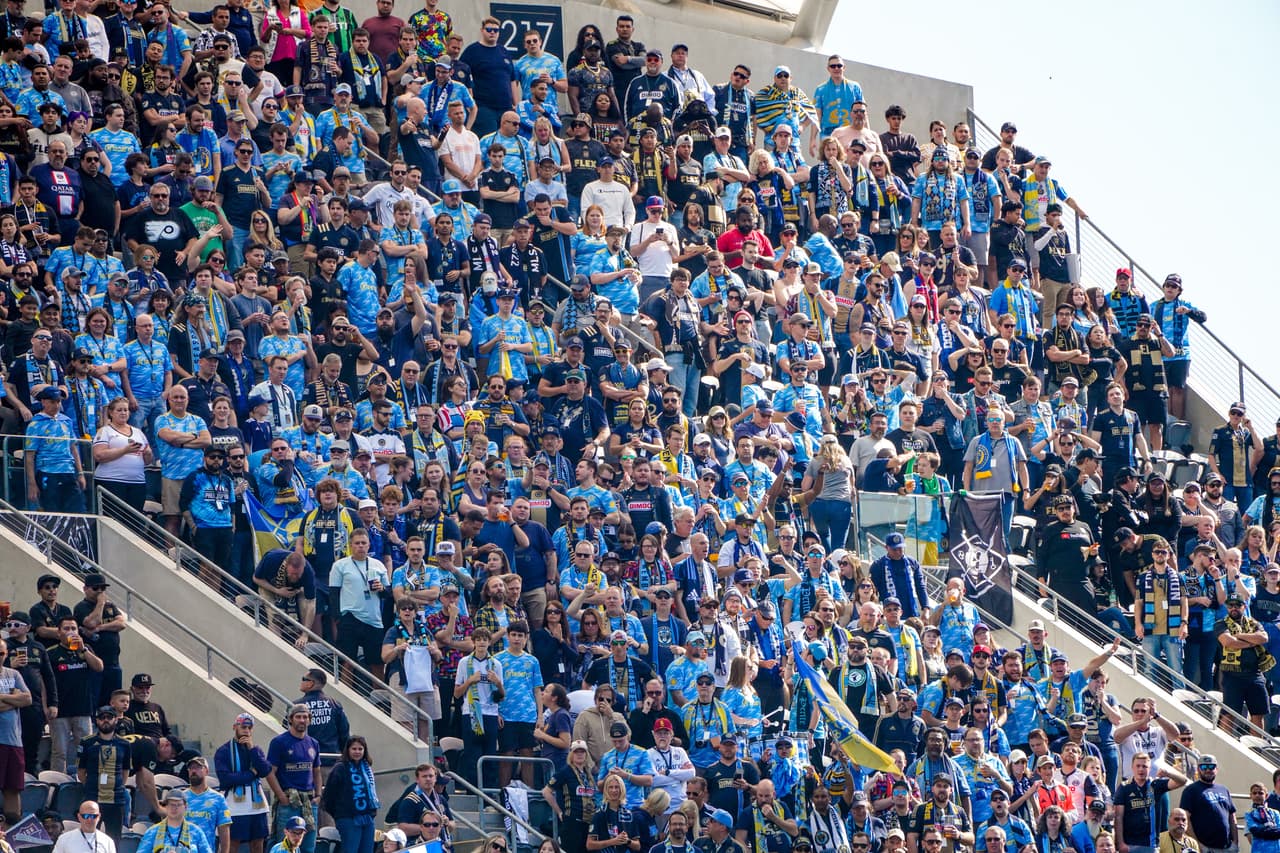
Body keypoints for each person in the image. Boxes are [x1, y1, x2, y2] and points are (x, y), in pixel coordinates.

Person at [266, 704, 322, 853]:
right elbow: (270, 772)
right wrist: (281, 797)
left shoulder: (313, 743)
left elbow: (316, 771)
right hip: (289, 802)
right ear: (291, 719)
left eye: (305, 717)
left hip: (309, 803)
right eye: (298, 717)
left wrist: (318, 795)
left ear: (309, 720)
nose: (302, 720)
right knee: (285, 847)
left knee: (309, 846)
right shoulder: (279, 742)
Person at [319, 736, 380, 853]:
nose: (357, 752)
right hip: (348, 819)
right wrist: (340, 815)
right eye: (354, 749)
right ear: (348, 750)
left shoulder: (366, 768)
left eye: (360, 749)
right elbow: (328, 796)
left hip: (367, 817)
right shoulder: (339, 768)